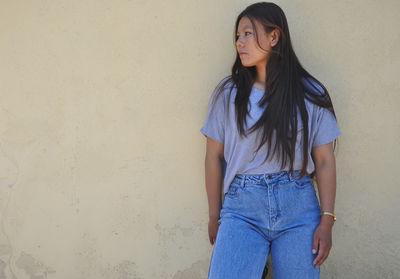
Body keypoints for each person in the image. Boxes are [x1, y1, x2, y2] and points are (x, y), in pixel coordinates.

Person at [200, 2, 341, 279]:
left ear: (274, 36)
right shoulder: (228, 94)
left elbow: (324, 161)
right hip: (241, 210)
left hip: (299, 208)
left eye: (248, 34)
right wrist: (215, 215)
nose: (240, 42)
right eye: (237, 36)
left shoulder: (309, 93)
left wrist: (327, 220)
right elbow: (213, 157)